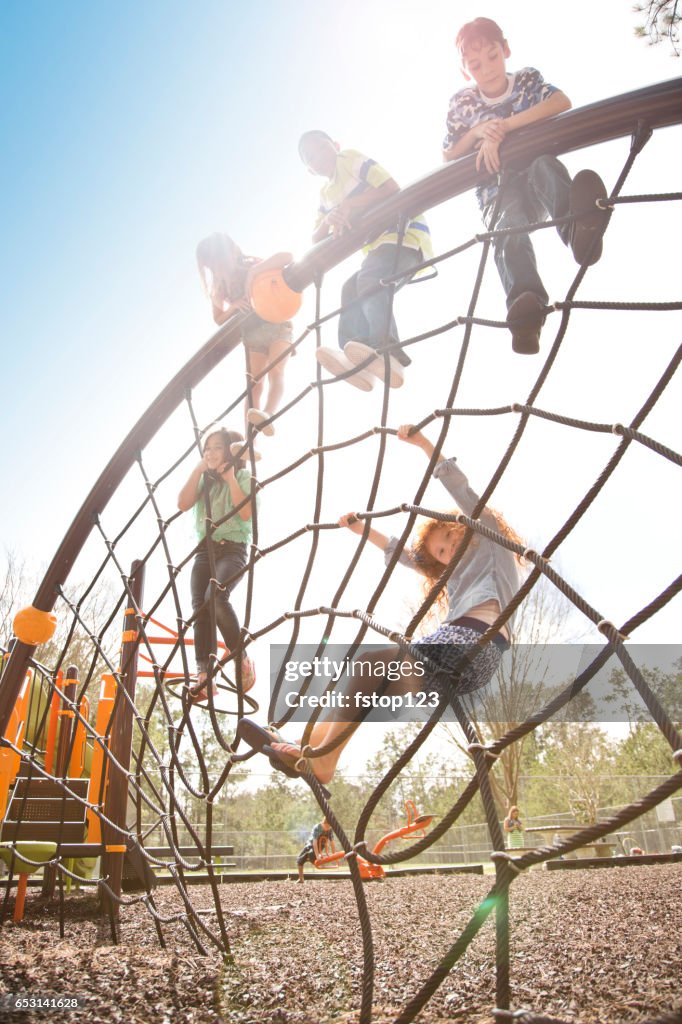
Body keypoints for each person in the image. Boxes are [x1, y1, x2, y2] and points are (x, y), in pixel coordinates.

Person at [239, 425, 523, 784]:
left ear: (465, 527)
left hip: (474, 649)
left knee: (374, 663)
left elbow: (461, 490)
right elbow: (408, 557)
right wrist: (363, 531)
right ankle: (309, 746)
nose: (449, 548)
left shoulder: (492, 545)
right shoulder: (452, 575)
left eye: (451, 536)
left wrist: (423, 444)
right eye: (441, 550)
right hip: (448, 656)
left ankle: (323, 760)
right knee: (369, 673)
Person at [442, 17, 609, 354]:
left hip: (535, 178)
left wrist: (503, 127)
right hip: (496, 190)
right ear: (465, 72)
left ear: (505, 50)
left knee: (545, 165)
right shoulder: (463, 104)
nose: (487, 69)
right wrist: (477, 133)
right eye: (475, 65)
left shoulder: (527, 80)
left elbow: (561, 102)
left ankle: (579, 230)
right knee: (508, 226)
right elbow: (449, 154)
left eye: (492, 56)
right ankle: (525, 310)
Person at [298, 131, 434, 390]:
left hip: (404, 237)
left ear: (335, 145)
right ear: (310, 170)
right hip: (379, 250)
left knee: (370, 280)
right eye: (311, 157)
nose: (319, 157)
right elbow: (316, 239)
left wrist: (351, 204)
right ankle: (357, 359)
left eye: (323, 148)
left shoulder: (349, 160)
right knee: (350, 289)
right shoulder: (326, 196)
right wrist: (329, 219)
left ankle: (387, 349)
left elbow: (390, 187)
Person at [177, 427, 257, 702]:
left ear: (231, 451)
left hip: (233, 549)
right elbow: (183, 503)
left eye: (217, 447)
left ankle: (240, 656)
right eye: (206, 448)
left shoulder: (244, 476)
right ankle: (205, 676)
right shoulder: (204, 482)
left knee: (216, 597)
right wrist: (199, 470)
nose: (210, 453)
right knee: (200, 610)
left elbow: (246, 514)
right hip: (204, 552)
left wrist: (231, 477)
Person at [196, 233, 295, 444]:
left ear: (230, 252)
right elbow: (218, 319)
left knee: (276, 372)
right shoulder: (220, 287)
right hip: (252, 335)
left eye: (216, 261)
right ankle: (252, 441)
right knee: (253, 386)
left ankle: (268, 415)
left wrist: (255, 273)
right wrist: (232, 307)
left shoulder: (251, 263)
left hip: (278, 325)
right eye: (210, 266)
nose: (215, 268)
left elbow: (287, 257)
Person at [296, 818, 335, 882]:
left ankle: (311, 858)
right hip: (310, 845)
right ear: (324, 823)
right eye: (327, 826)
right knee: (299, 860)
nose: (328, 828)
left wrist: (334, 854)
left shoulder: (330, 830)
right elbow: (314, 843)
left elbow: (332, 842)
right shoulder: (318, 827)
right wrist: (317, 856)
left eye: (329, 826)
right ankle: (301, 878)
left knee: (313, 857)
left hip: (320, 846)